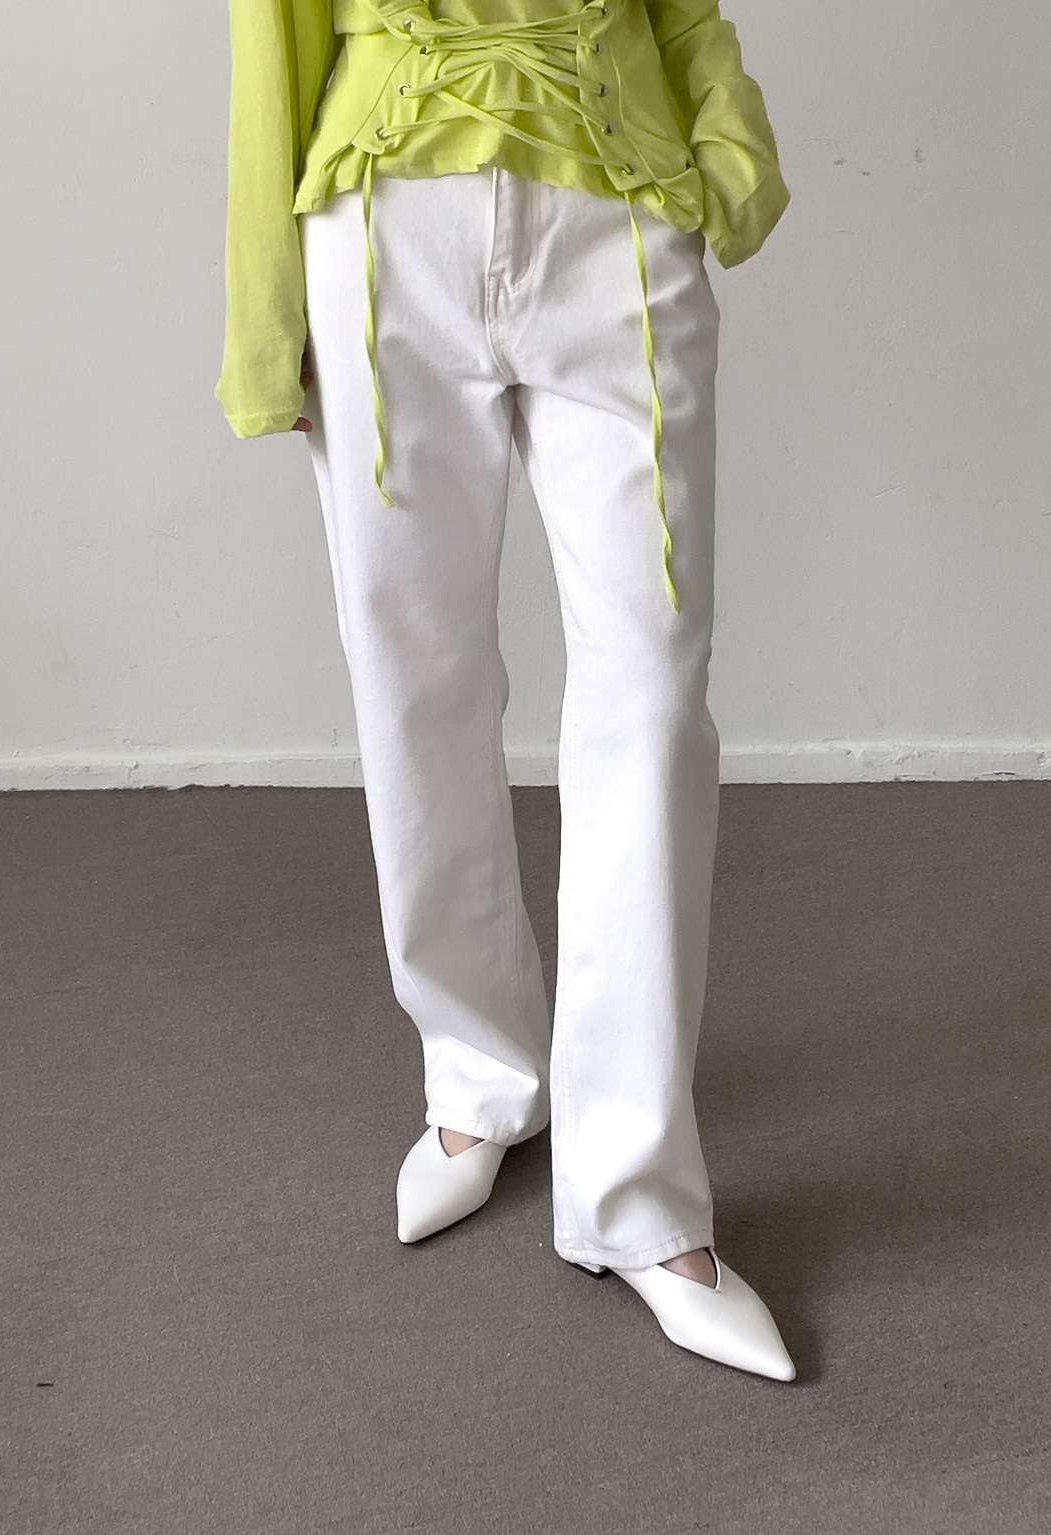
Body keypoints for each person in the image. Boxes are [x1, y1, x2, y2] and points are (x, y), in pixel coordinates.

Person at [215, 0, 795, 1381]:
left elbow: (682, 11)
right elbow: (271, 43)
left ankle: (639, 1198)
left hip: (616, 212)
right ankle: (478, 1075)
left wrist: (729, 149)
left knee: (651, 697)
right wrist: (262, 321)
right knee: (414, 676)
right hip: (383, 231)